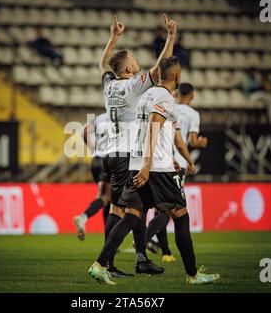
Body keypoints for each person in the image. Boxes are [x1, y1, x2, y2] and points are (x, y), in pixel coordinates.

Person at [89, 56, 220, 285]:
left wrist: (163, 158)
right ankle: (192, 275)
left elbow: (152, 130)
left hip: (137, 163)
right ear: (176, 77)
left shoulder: (145, 96)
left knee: (130, 216)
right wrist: (152, 163)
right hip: (156, 168)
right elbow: (153, 128)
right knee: (181, 216)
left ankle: (100, 265)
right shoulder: (164, 97)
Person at [87, 14, 178, 283]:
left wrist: (113, 37)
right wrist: (171, 37)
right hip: (128, 155)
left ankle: (130, 261)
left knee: (121, 210)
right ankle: (108, 263)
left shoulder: (110, 86)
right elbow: (162, 67)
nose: (138, 63)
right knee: (132, 212)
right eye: (134, 62)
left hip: (111, 154)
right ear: (128, 70)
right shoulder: (131, 87)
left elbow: (103, 63)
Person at [145, 83, 207, 263]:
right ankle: (145, 238)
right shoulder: (193, 114)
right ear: (192, 96)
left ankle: (166, 252)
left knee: (161, 208)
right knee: (173, 210)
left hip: (160, 160)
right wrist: (200, 145)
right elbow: (191, 141)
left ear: (177, 93)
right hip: (176, 165)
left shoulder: (166, 104)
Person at [73, 113, 111, 241]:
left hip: (96, 160)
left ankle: (108, 240)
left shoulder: (100, 118)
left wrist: (93, 149)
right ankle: (83, 217)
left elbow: (84, 132)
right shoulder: (123, 114)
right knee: (109, 199)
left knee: (105, 199)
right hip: (110, 160)